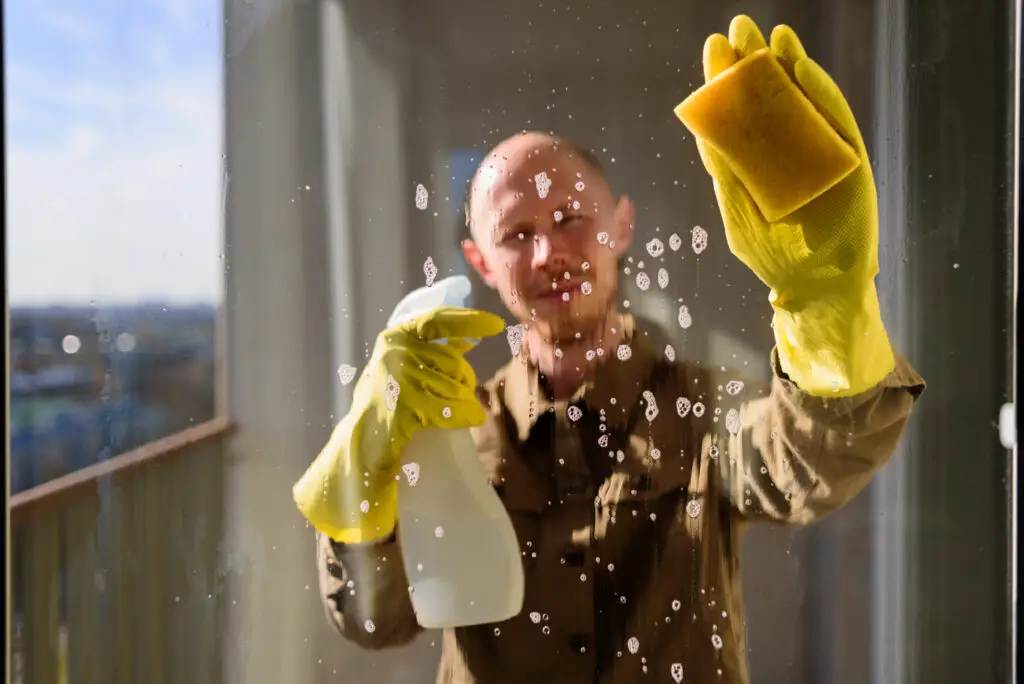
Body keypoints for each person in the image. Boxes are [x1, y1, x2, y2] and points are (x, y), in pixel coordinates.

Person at [294, 16, 926, 684]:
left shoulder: (705, 404)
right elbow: (376, 620)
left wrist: (824, 301)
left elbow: (814, 458)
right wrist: (365, 470)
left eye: (570, 218)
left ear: (621, 225)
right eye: (515, 234)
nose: (549, 253)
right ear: (479, 261)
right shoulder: (448, 431)